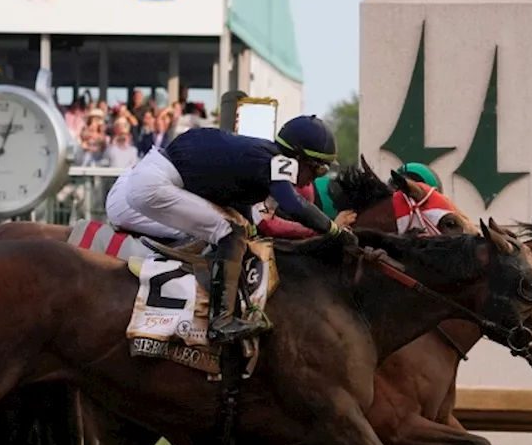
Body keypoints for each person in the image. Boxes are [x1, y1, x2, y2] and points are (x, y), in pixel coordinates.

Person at [105, 114, 354, 343]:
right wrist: (333, 230)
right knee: (230, 231)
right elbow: (294, 204)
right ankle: (221, 321)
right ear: (298, 156)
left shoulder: (262, 154)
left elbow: (239, 203)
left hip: (154, 176)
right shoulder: (279, 161)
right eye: (318, 167)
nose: (317, 176)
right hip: (154, 183)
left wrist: (252, 231)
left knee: (236, 229)